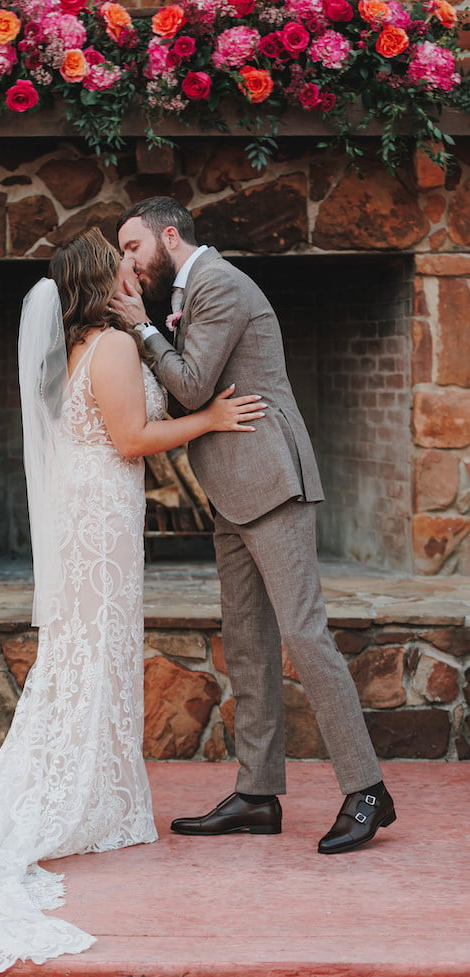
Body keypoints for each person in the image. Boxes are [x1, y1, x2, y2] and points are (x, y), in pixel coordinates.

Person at [0, 228, 266, 977]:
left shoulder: (82, 346)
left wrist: (141, 324)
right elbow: (132, 437)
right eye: (121, 263)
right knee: (97, 648)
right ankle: (90, 799)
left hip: (88, 511)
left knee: (86, 649)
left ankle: (101, 794)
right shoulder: (115, 349)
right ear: (101, 280)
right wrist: (210, 419)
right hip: (103, 513)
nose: (132, 267)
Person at [113, 197, 396, 855]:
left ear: (169, 236)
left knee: (305, 631)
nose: (128, 260)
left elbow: (190, 386)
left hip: (272, 482)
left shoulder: (218, 285)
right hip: (230, 488)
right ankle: (257, 793)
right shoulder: (192, 289)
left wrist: (139, 327)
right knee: (245, 639)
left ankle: (367, 790)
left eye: (132, 246)